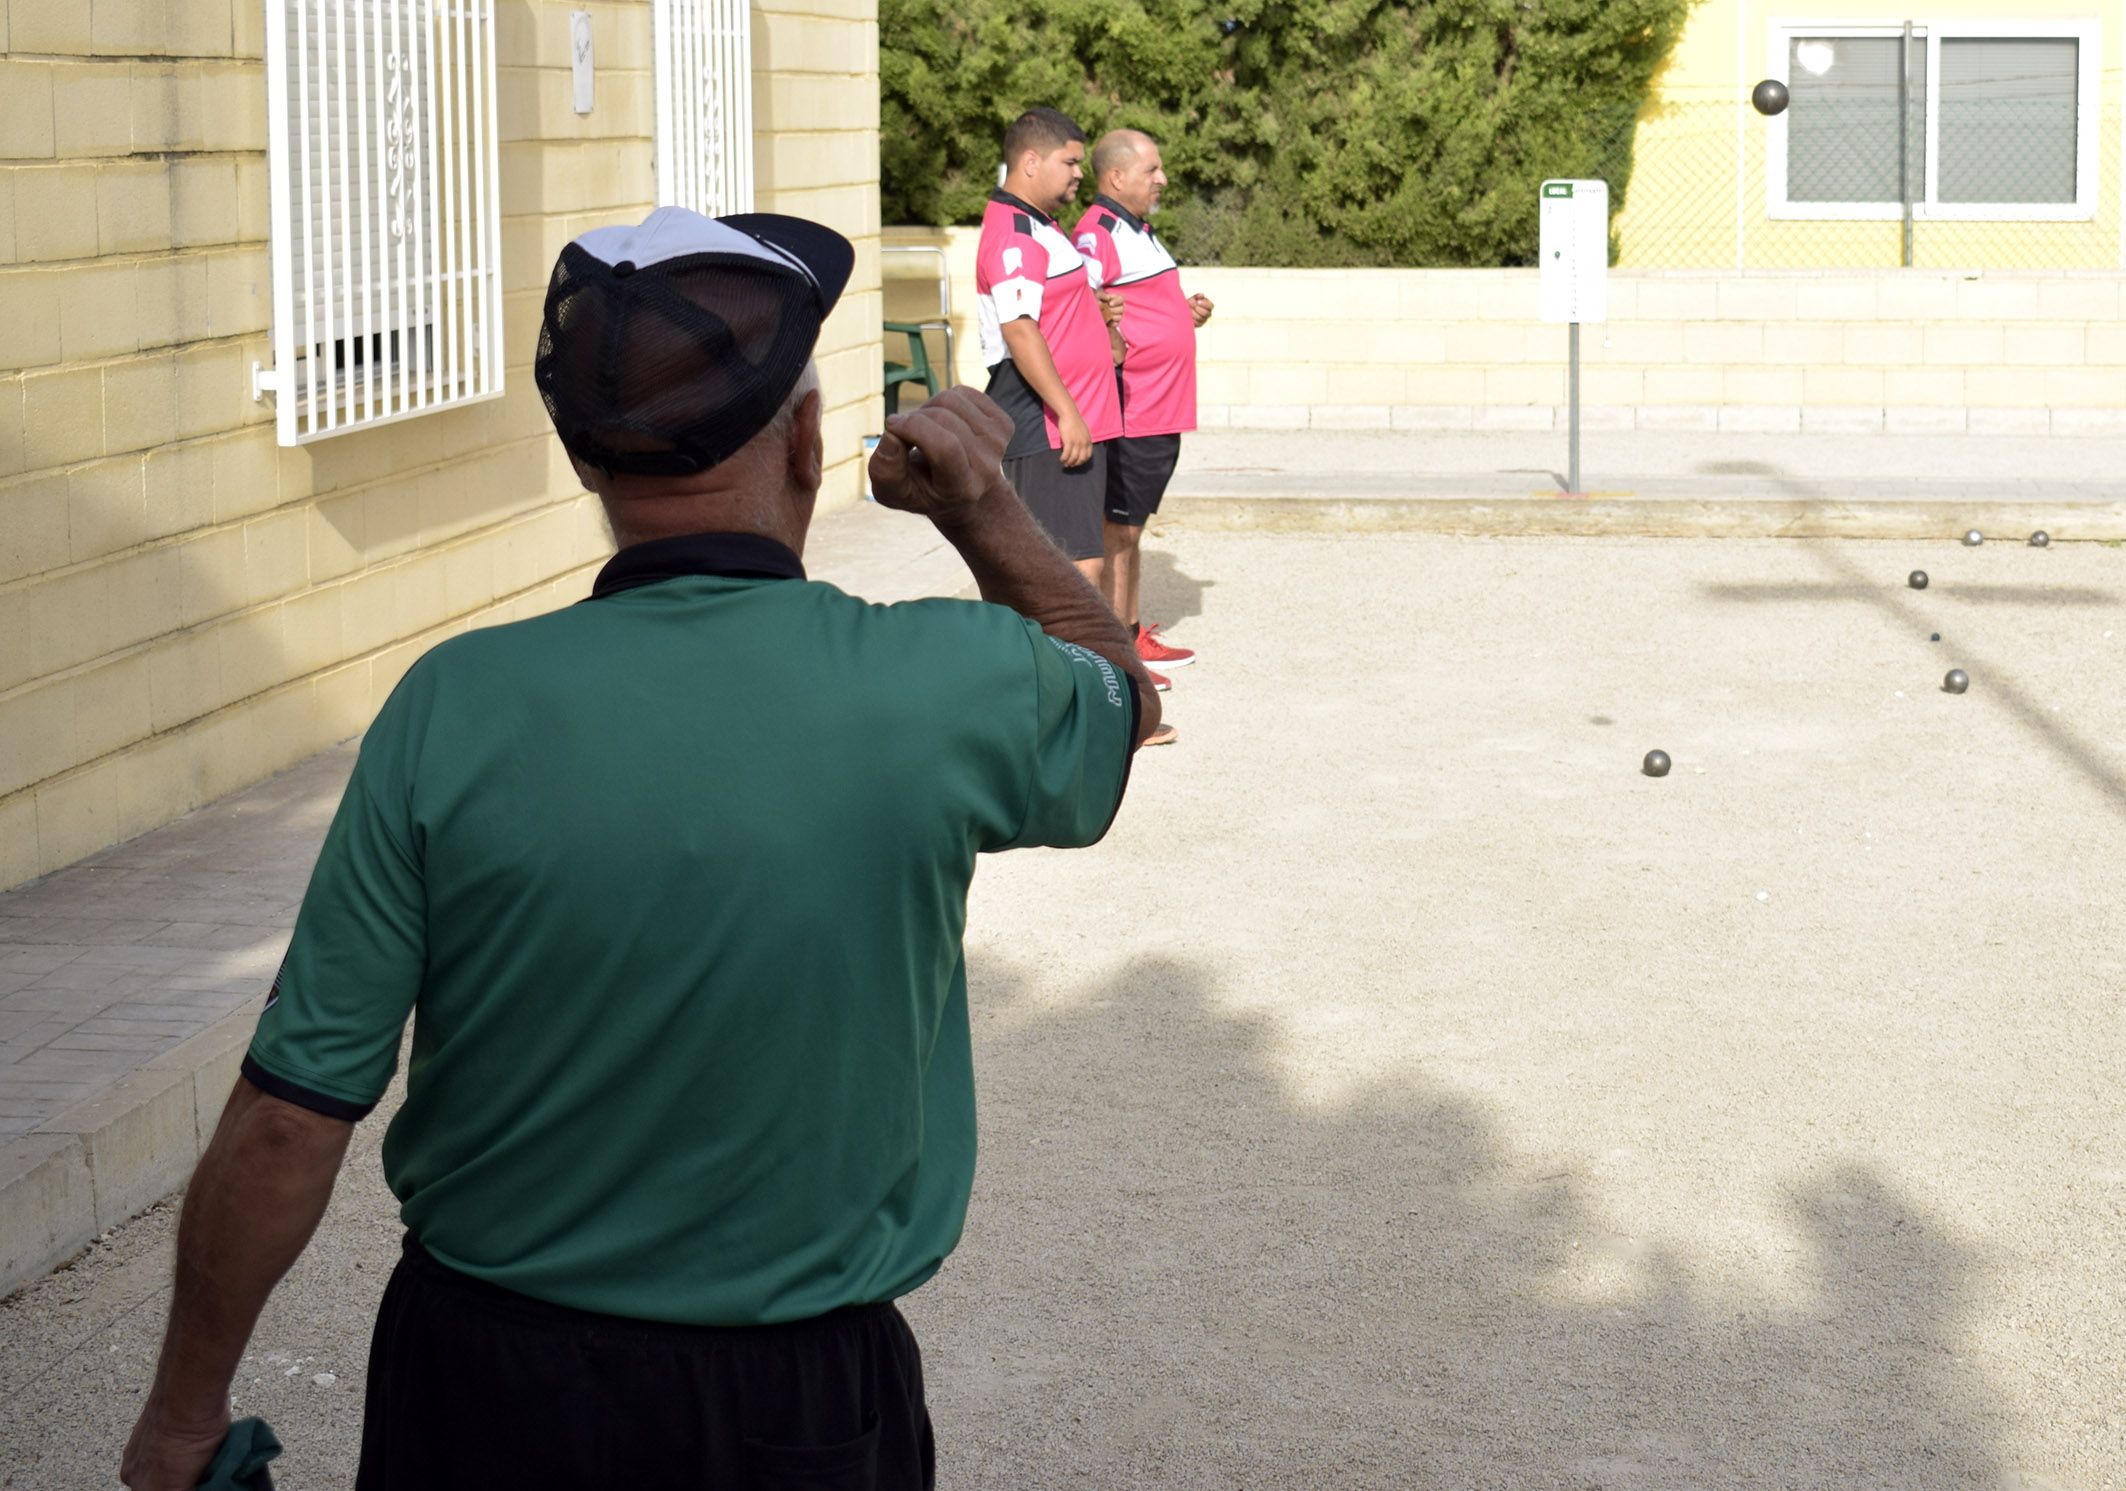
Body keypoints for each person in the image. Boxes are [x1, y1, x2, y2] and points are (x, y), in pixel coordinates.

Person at [120, 207, 1159, 1491]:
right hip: (798, 1403)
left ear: (585, 465)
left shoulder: (453, 704)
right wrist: (981, 504)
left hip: (480, 1388)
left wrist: (181, 1419)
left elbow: (290, 1117)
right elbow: (1120, 699)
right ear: (804, 438)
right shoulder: (938, 681)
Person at [1071, 128, 1216, 677]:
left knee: (1129, 529)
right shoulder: (1097, 232)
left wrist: (1182, 312)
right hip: (1134, 404)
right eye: (1152, 170)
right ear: (1117, 176)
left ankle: (1129, 636)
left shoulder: (1138, 231)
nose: (1162, 179)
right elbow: (1083, 302)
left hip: (1160, 405)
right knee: (1118, 531)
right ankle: (1118, 654)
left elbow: (1131, 302)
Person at [974, 109, 1124, 593]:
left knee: (1075, 563)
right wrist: (1067, 413)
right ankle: (1067, 671)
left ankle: (1073, 667)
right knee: (1069, 572)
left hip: (1074, 421)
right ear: (1032, 162)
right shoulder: (1014, 233)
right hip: (1048, 425)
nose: (1081, 172)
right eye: (1071, 161)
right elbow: (1019, 331)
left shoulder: (1042, 224)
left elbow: (1049, 314)